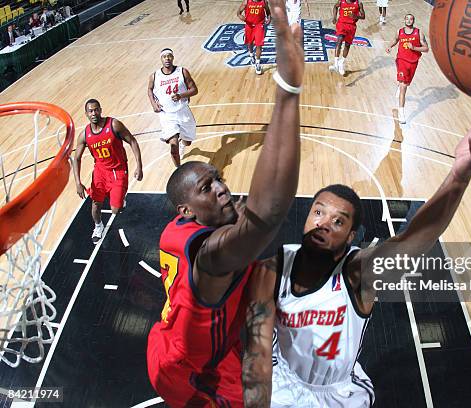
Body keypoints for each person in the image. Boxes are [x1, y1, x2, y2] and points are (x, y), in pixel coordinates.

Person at [242, 103, 471, 408]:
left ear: (351, 239)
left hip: (339, 394)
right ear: (307, 218)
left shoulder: (357, 274)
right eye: (318, 212)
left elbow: (413, 239)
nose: (323, 223)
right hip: (285, 383)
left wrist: (460, 175)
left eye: (338, 221)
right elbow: (258, 353)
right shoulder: (273, 270)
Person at [146, 0, 304, 406]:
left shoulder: (180, 229)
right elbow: (266, 213)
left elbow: (252, 208)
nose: (221, 188)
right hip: (190, 372)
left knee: (263, 270)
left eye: (219, 178)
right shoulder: (211, 257)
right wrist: (287, 90)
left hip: (168, 341)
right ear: (187, 210)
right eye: (207, 187)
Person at [73, 99, 143, 243]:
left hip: (118, 170)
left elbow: (132, 141)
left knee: (116, 210)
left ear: (100, 110)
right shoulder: (85, 135)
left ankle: (120, 199)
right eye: (90, 111)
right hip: (100, 172)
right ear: (86, 114)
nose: (94, 113)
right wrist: (78, 182)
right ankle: (98, 226)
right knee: (95, 204)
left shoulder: (114, 125)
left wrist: (139, 166)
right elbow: (77, 159)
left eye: (96, 109)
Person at [148, 49, 198, 167]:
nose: (167, 58)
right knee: (173, 146)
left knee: (188, 142)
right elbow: (149, 89)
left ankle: (183, 143)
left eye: (169, 56)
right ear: (161, 59)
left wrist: (181, 95)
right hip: (166, 115)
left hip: (183, 111)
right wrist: (153, 103)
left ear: (173, 57)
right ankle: (178, 170)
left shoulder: (182, 71)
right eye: (164, 56)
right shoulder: (155, 76)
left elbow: (194, 90)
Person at [386, 13, 429, 124]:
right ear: (404, 20)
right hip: (401, 60)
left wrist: (414, 47)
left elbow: (426, 49)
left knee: (406, 83)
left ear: (413, 21)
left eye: (411, 19)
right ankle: (402, 113)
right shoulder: (399, 31)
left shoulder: (419, 32)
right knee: (404, 87)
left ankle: (399, 85)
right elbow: (395, 40)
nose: (409, 20)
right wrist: (390, 46)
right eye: (407, 19)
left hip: (413, 62)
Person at [330, 0, 365, 76]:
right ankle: (336, 64)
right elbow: (335, 7)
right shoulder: (341, 1)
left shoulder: (358, 3)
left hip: (351, 26)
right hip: (341, 24)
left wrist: (357, 16)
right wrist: (334, 17)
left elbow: (363, 16)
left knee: (347, 45)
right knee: (339, 41)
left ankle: (341, 63)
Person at [238, 0, 271, 75]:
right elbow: (238, 13)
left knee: (259, 44)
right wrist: (242, 17)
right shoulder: (246, 2)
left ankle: (258, 63)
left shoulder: (264, 2)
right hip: (249, 25)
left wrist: (269, 18)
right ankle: (251, 54)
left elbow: (268, 11)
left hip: (259, 25)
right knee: (250, 43)